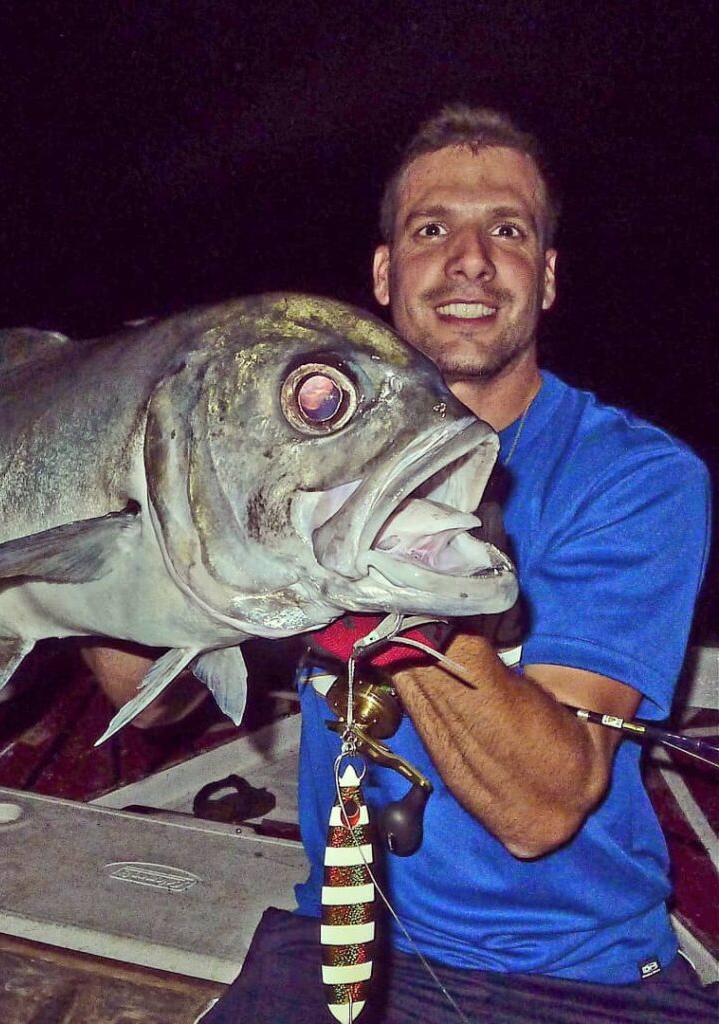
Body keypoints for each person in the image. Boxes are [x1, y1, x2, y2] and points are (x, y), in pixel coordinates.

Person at [195, 105, 714, 1022]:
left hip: (574, 979)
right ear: (385, 272)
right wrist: (31, 582)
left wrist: (400, 611)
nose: (470, 258)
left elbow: (542, 810)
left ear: (545, 277)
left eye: (507, 230)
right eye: (432, 228)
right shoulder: (295, 452)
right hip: (340, 934)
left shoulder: (639, 478)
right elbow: (146, 689)